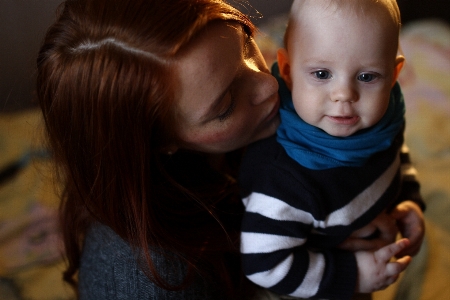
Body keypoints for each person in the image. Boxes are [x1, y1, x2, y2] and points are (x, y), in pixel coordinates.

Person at [36, 0, 282, 299]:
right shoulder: (158, 280)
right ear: (159, 142)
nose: (269, 83)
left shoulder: (233, 145)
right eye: (227, 104)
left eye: (245, 47)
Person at [239, 0, 426, 299]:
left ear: (393, 75)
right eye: (322, 74)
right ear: (286, 70)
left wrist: (410, 200)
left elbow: (394, 152)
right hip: (315, 283)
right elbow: (263, 265)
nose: (344, 95)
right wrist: (354, 275)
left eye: (367, 77)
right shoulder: (283, 178)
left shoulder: (384, 118)